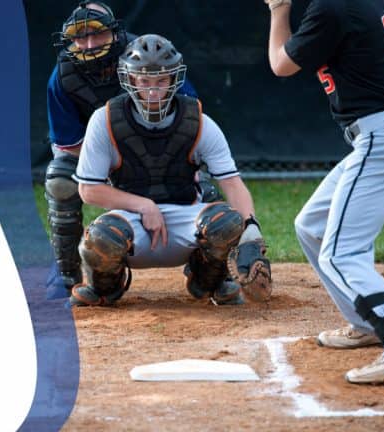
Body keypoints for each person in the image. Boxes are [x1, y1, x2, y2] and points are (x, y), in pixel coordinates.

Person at [265, 0, 384, 384]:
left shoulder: (332, 6)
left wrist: (278, 10)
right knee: (310, 225)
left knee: (339, 253)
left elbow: (281, 64)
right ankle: (364, 323)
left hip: (382, 138)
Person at [70, 34, 272, 308]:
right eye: (144, 81)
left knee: (227, 223)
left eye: (161, 81)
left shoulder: (199, 122)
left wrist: (251, 232)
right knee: (101, 237)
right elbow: (88, 190)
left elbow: (232, 184)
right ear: (130, 79)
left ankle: (208, 282)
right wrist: (144, 205)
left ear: (174, 79)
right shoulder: (104, 120)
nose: (153, 91)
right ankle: (105, 287)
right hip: (132, 221)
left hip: (186, 219)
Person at [44, 2, 206, 296]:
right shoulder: (63, 76)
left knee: (203, 182)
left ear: (115, 32)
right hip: (104, 161)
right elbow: (68, 146)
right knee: (60, 180)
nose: (89, 44)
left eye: (97, 34)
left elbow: (188, 119)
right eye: (80, 37)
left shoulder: (148, 55)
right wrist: (109, 170)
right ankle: (67, 273)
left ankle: (207, 269)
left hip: (164, 152)